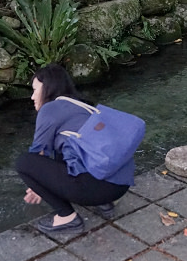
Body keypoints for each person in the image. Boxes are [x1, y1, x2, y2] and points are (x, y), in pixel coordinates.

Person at [15, 64, 132, 234]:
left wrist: (37, 186)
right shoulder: (83, 105)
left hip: (98, 189)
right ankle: (103, 204)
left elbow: (36, 156)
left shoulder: (50, 109)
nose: (32, 97)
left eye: (35, 90)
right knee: (65, 151)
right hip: (121, 185)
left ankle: (67, 217)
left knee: (24, 163)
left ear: (48, 87)